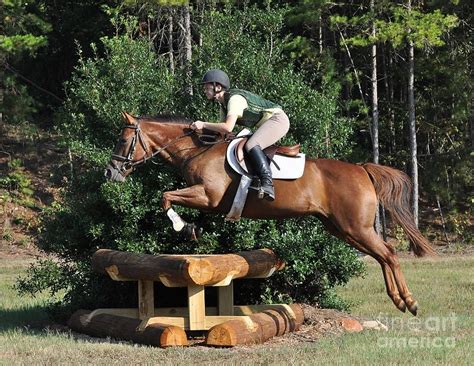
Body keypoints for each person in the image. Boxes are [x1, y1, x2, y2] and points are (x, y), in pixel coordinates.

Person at [191, 69, 290, 201]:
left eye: (206, 85)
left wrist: (203, 124)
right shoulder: (223, 104)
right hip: (267, 123)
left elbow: (227, 126)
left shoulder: (234, 99)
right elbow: (224, 130)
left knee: (252, 144)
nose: (204, 89)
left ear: (218, 87)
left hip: (278, 120)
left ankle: (267, 184)